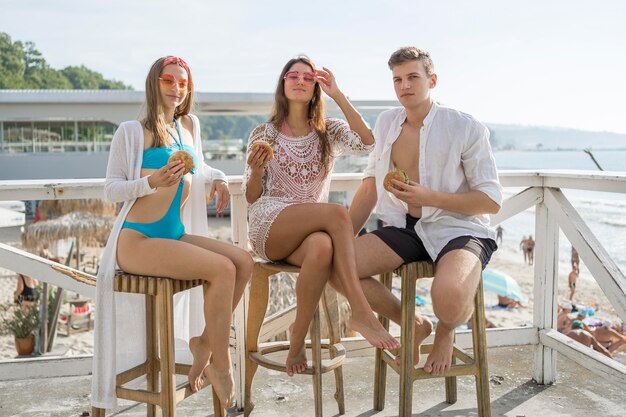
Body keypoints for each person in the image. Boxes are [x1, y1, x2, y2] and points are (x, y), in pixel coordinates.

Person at [92, 56, 253, 410]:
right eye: (169, 80)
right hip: (137, 241)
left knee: (243, 261)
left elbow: (201, 164)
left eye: (183, 83)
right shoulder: (131, 132)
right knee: (222, 269)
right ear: (154, 83)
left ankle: (204, 343)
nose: (176, 88)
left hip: (174, 234)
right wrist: (151, 181)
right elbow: (111, 189)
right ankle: (221, 364)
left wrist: (220, 179)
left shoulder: (188, 126)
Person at [337, 47, 501, 376]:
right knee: (336, 264)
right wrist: (344, 241)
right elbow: (369, 186)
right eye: (397, 79)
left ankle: (444, 330)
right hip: (405, 226)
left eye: (413, 77)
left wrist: (430, 197)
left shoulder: (465, 127)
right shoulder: (386, 123)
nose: (404, 86)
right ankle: (413, 324)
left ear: (432, 80)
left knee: (450, 298)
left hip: (460, 228)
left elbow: (490, 200)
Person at [243, 55, 399, 377]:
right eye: (292, 76)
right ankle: (360, 310)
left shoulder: (329, 132)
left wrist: (338, 95)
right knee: (338, 215)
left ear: (316, 87)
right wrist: (257, 169)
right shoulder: (265, 133)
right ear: (283, 84)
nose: (300, 81)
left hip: (312, 233)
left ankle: (296, 339)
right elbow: (251, 196)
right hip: (270, 225)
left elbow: (368, 142)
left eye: (307, 77)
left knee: (322, 248)